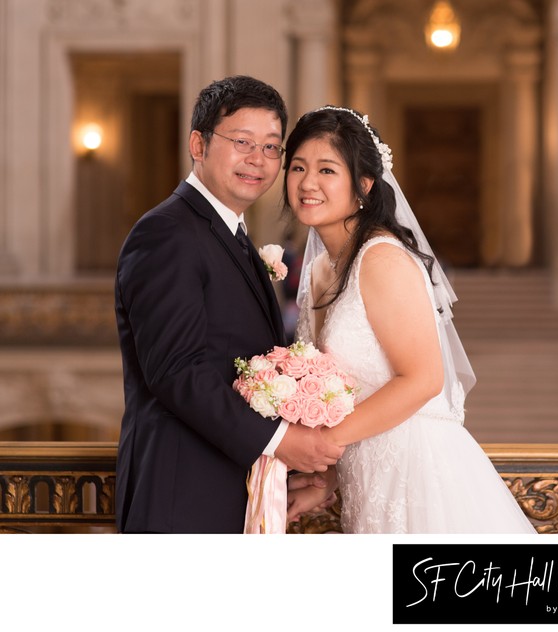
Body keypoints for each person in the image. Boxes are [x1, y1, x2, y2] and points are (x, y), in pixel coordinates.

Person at [283, 106, 536, 533]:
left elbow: (422, 379)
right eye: (298, 167)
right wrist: (323, 478)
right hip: (366, 477)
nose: (308, 182)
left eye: (327, 170)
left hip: (417, 472)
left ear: (363, 184)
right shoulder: (318, 269)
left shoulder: (381, 258)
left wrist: (323, 443)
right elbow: (344, 395)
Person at [114, 76, 343, 533]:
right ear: (198, 144)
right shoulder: (166, 233)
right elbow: (176, 372)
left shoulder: (230, 235)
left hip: (231, 487)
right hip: (181, 494)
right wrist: (281, 440)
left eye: (272, 148)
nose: (257, 160)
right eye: (242, 142)